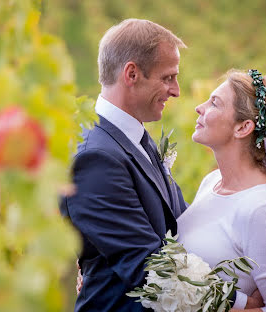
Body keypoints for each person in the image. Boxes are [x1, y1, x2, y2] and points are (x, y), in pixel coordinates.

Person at [59, 18, 189, 311]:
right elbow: (148, 270)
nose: (176, 90)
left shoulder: (134, 139)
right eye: (168, 77)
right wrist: (240, 302)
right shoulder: (95, 158)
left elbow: (180, 227)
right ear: (132, 74)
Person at [177, 69, 266, 311]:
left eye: (214, 103)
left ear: (243, 128)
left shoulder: (261, 207)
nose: (200, 107)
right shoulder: (212, 182)